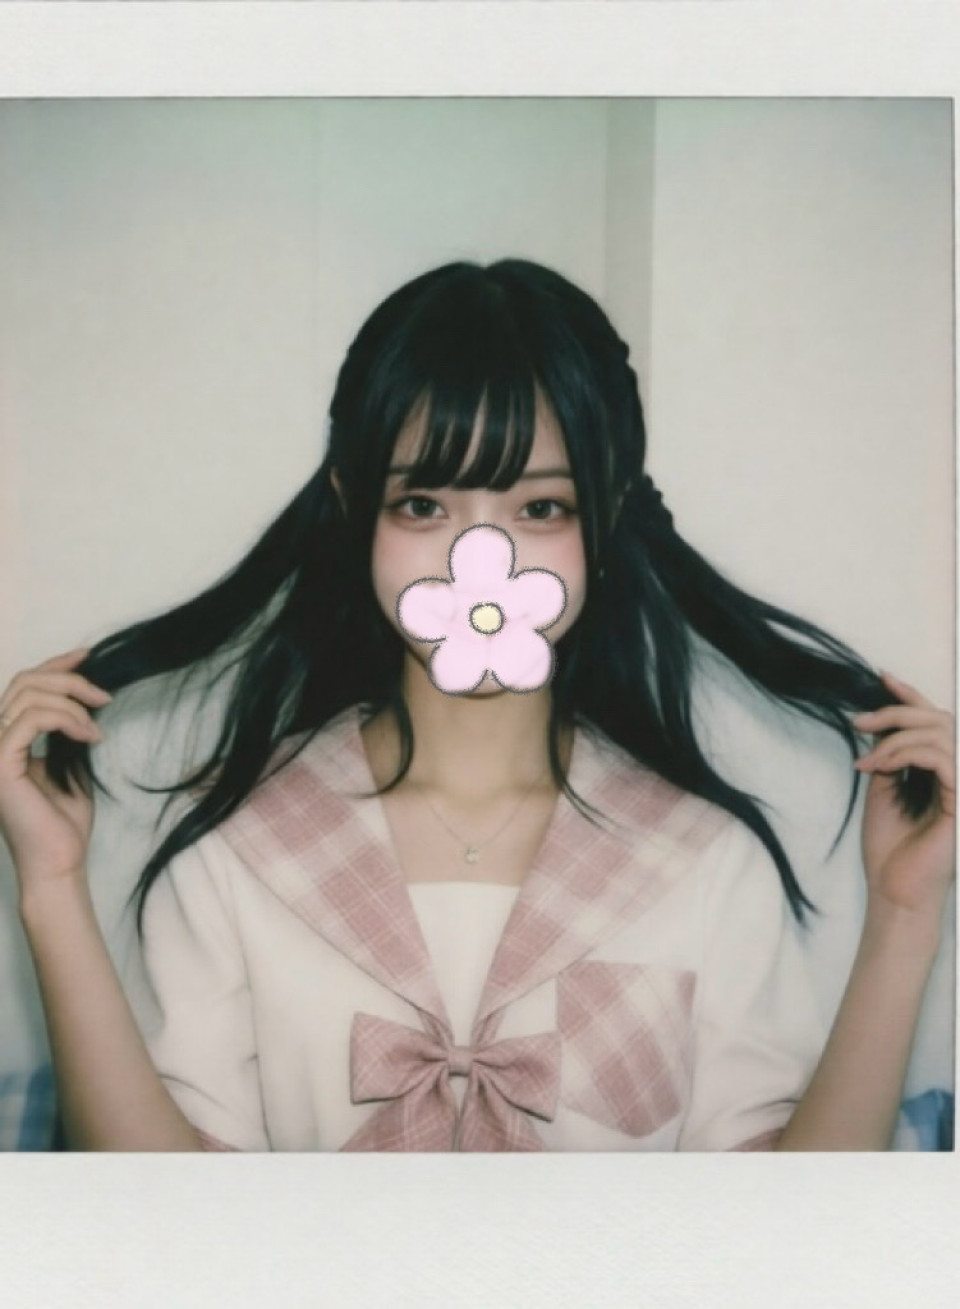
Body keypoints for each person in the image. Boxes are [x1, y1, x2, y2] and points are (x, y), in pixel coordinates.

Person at [0, 259, 953, 1152]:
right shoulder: (237, 849)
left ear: (607, 516)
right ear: (354, 506)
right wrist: (50, 885)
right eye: (424, 505)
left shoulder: (706, 862)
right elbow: (166, 1217)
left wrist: (907, 912)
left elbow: (785, 1224)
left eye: (541, 508)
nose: (476, 563)